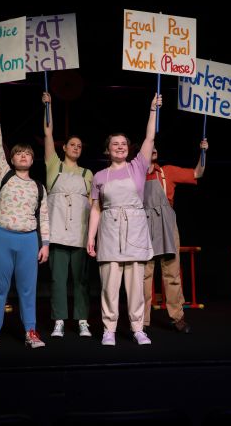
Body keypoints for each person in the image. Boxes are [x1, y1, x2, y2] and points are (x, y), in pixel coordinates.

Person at [87, 93, 161, 346]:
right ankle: (109, 329)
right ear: (107, 150)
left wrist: (153, 110)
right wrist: (90, 237)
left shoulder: (137, 167)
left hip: (135, 228)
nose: (119, 147)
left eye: (123, 144)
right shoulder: (98, 176)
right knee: (109, 285)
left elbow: (150, 137)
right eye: (114, 144)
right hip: (108, 230)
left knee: (135, 287)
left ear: (129, 149)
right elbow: (95, 209)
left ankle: (138, 328)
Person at [0, 102, 50, 350]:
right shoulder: (5, 176)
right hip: (3, 237)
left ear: (32, 159)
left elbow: (45, 218)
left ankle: (31, 331)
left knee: (27, 290)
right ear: (12, 158)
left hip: (29, 240)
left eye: (27, 153)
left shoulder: (39, 188)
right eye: (18, 153)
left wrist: (46, 245)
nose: (22, 156)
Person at [142, 138, 209, 334]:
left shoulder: (167, 171)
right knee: (144, 275)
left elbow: (198, 173)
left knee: (172, 273)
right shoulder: (135, 175)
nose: (153, 149)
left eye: (155, 147)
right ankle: (142, 320)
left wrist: (203, 153)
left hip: (167, 225)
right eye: (149, 147)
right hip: (144, 225)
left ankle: (177, 317)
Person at [41, 91, 94, 338]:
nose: (76, 148)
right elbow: (48, 134)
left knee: (81, 281)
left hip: (81, 235)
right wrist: (48, 106)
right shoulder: (54, 165)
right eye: (72, 144)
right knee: (57, 280)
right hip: (57, 233)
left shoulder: (88, 174)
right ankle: (59, 320)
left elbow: (95, 206)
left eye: (80, 146)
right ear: (64, 147)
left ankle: (83, 320)